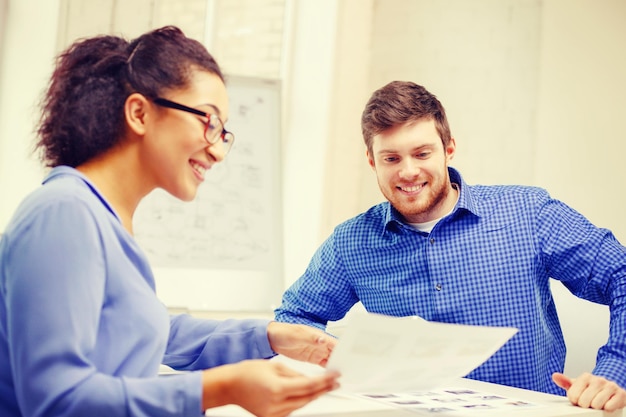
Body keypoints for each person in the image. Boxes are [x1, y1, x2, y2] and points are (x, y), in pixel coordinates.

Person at [0, 26, 340, 417]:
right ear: (140, 113)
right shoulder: (64, 215)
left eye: (223, 131)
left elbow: (153, 332)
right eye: (208, 121)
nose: (218, 151)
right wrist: (221, 387)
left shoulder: (100, 217)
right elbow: (57, 399)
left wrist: (270, 336)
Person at [274, 80, 626, 412]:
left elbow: (620, 274)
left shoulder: (528, 213)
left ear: (449, 149)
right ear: (372, 161)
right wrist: (346, 362)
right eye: (391, 158)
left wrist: (615, 368)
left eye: (422, 153)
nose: (408, 171)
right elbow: (294, 319)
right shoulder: (351, 243)